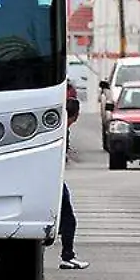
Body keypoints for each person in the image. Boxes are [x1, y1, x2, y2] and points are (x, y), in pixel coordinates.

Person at [60, 96, 88, 270]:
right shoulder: (63, 130)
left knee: (66, 218)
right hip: (53, 181)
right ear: (76, 115)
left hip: (50, 179)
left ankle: (67, 253)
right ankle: (67, 256)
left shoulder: (58, 127)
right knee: (69, 219)